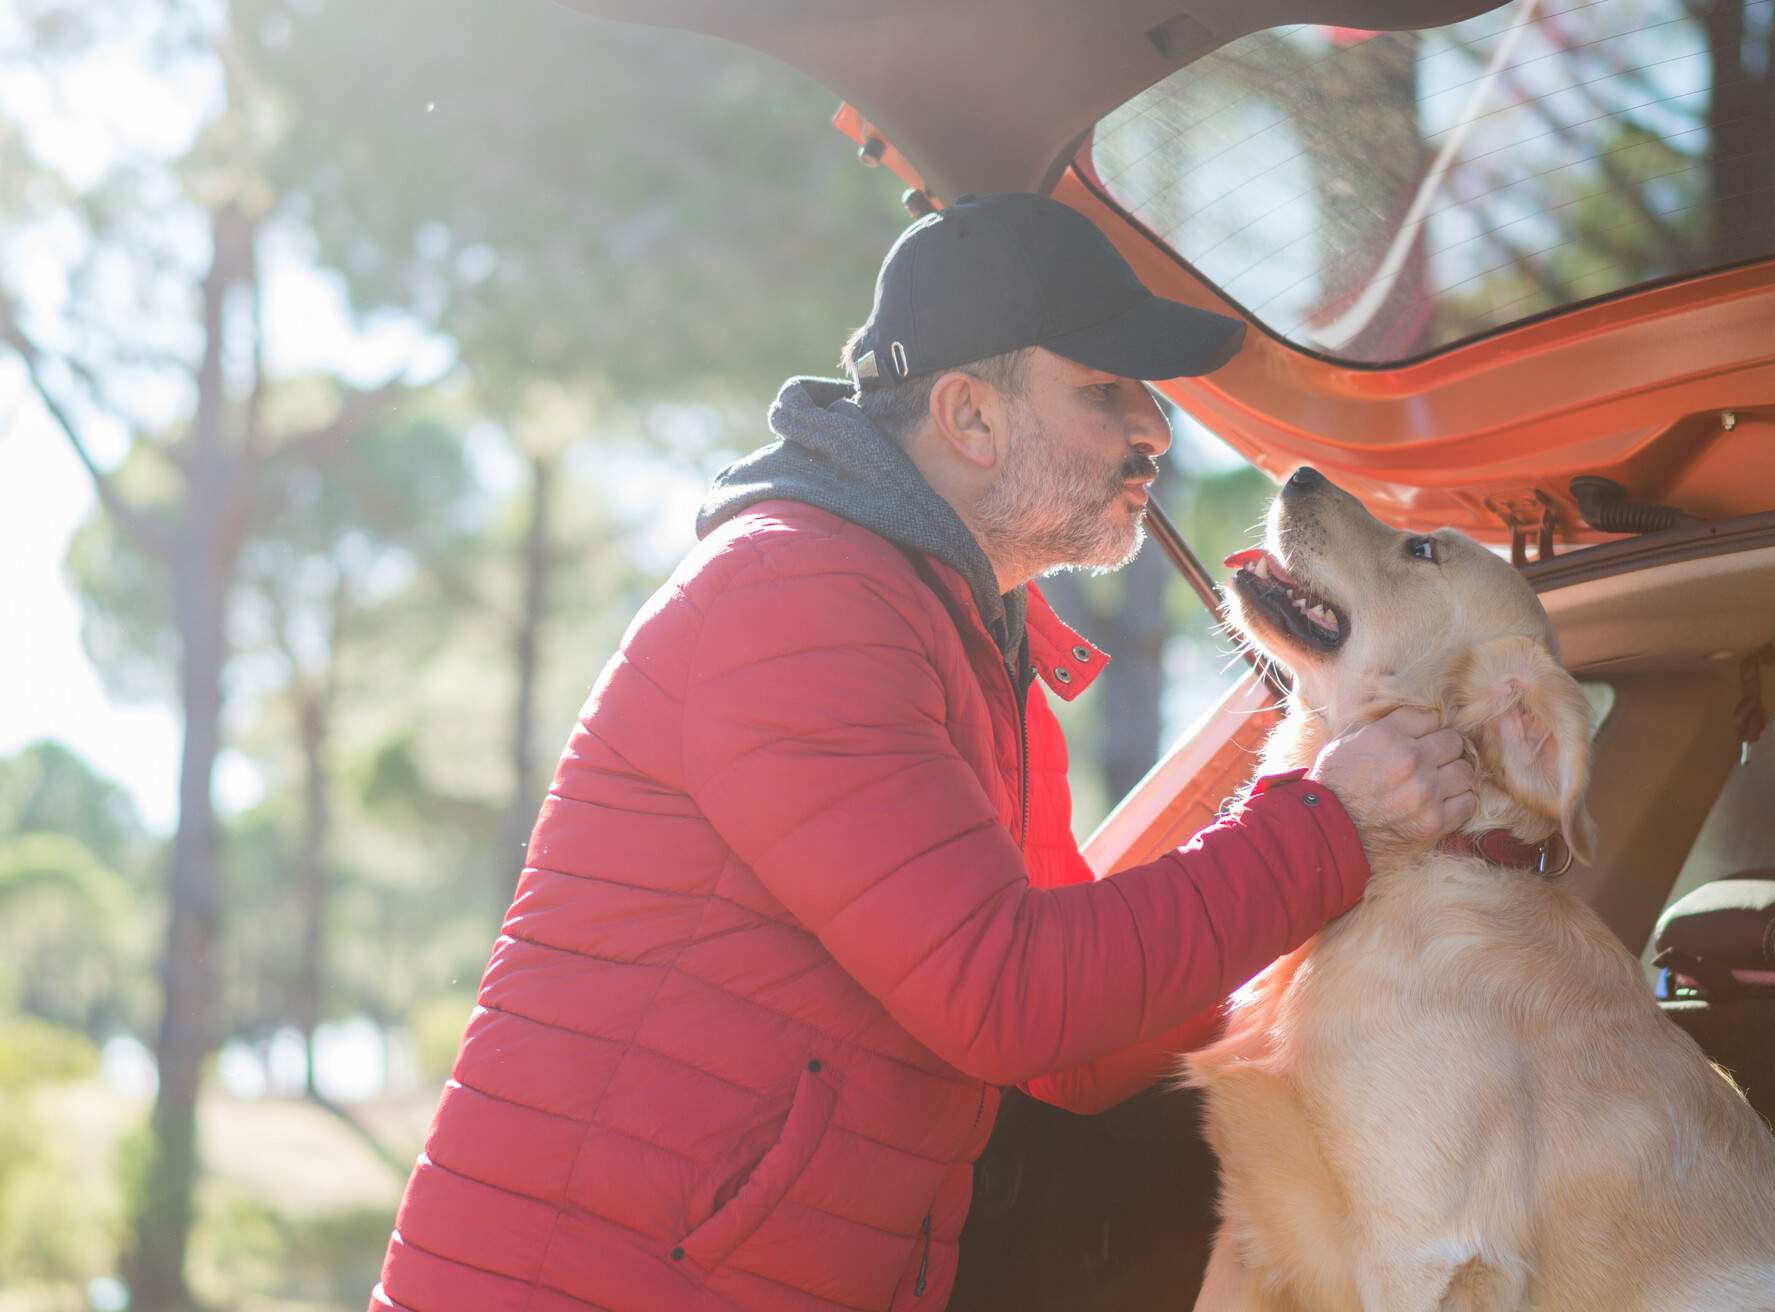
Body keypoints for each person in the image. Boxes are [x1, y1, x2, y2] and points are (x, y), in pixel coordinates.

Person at [370, 193, 1473, 1312]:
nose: (1155, 428)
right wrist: (1324, 827)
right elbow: (1009, 996)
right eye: (1105, 390)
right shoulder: (797, 597)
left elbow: (1078, 1052)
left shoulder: (959, 639)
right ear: (969, 417)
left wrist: (1337, 962)